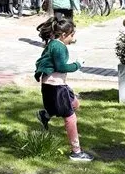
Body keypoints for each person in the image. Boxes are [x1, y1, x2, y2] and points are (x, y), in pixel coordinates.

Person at [33, 17, 93, 162]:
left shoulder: (54, 44)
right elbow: (61, 67)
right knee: (71, 118)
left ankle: (45, 115)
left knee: (74, 104)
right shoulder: (59, 47)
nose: (74, 37)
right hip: (56, 87)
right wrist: (77, 65)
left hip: (55, 86)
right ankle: (76, 152)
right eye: (72, 34)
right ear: (64, 35)